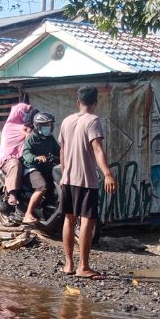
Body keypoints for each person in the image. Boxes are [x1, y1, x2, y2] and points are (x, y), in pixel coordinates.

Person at [58, 86, 117, 279]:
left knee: (69, 218)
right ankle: (83, 266)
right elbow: (97, 149)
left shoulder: (67, 121)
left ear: (78, 102)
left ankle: (68, 264)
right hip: (86, 180)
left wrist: (64, 172)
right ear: (95, 103)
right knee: (87, 221)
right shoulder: (93, 121)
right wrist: (107, 173)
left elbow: (62, 151)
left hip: (67, 178)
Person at [21, 112, 61, 225]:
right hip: (31, 168)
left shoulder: (50, 138)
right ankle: (28, 214)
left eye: (49, 125)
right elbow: (26, 153)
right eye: (46, 125)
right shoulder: (31, 138)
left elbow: (59, 151)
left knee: (54, 184)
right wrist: (36, 158)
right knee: (42, 187)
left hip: (45, 167)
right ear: (38, 126)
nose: (48, 127)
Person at [0, 103, 35, 205]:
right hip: (8, 159)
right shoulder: (10, 126)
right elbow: (27, 136)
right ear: (18, 113)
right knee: (15, 164)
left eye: (28, 113)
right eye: (26, 112)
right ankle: (13, 194)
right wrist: (27, 133)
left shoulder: (27, 127)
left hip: (23, 157)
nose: (27, 115)